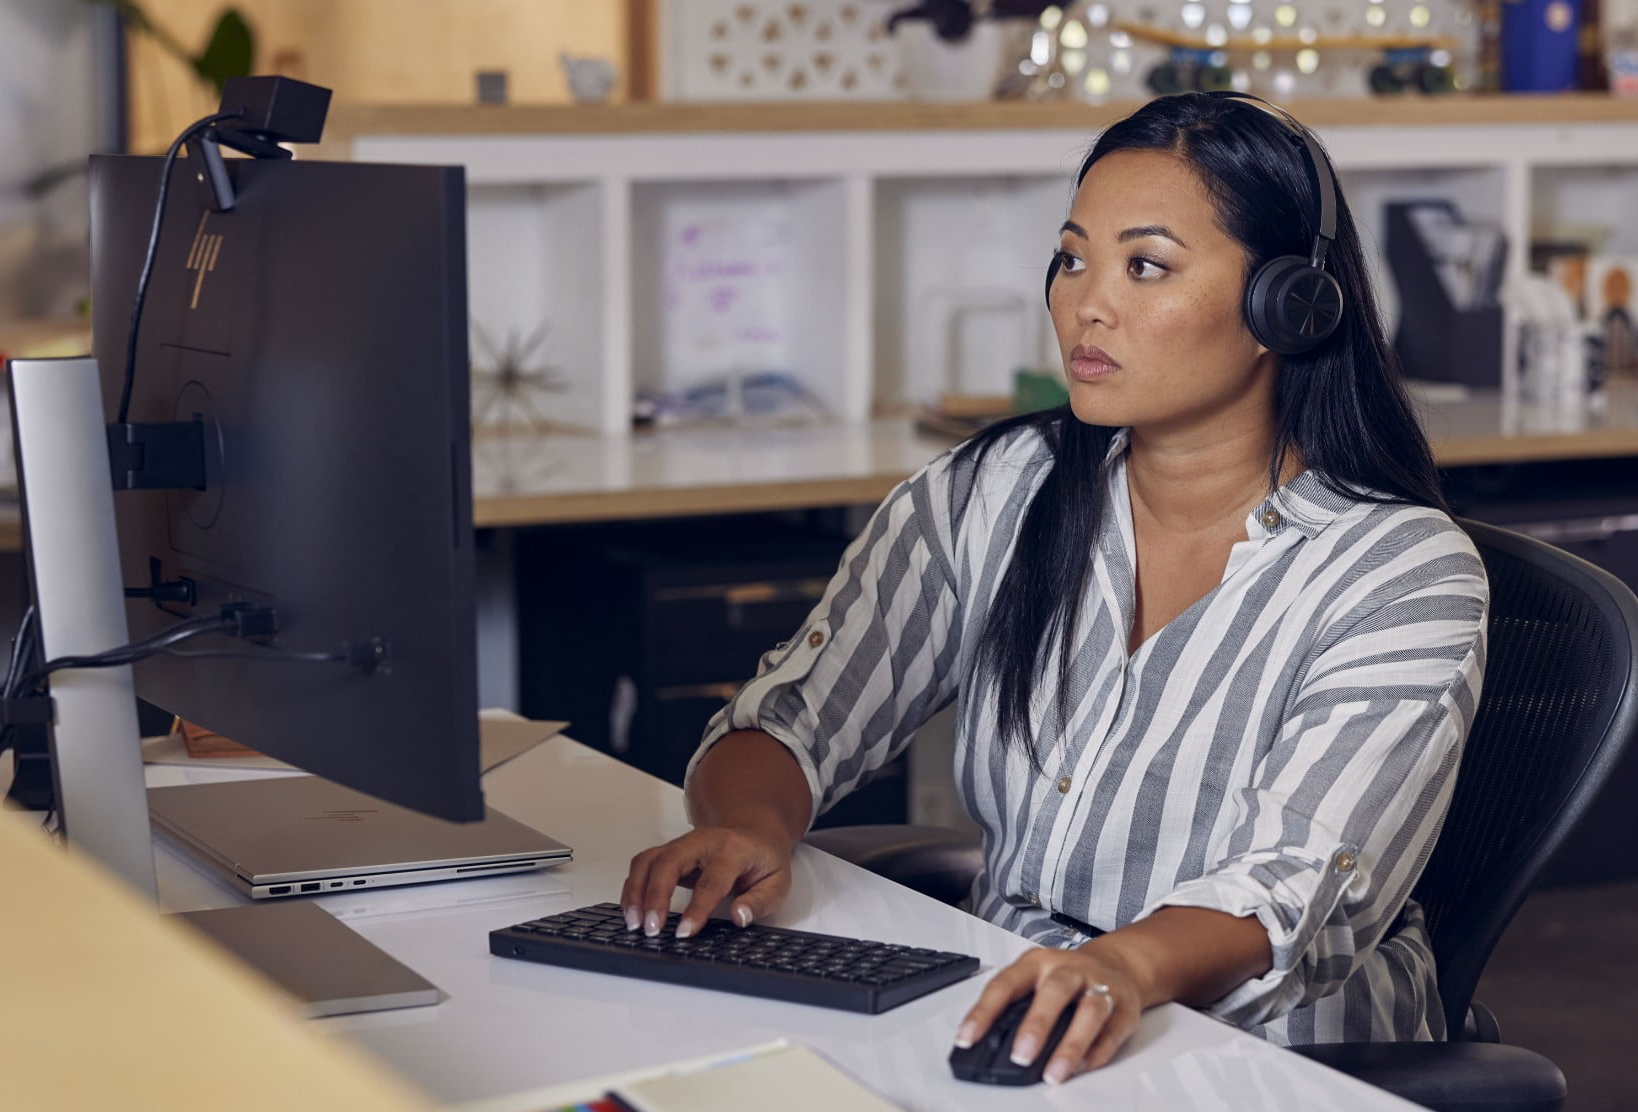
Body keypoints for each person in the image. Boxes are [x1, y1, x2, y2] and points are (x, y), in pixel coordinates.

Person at [619, 92, 1489, 1085]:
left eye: (1144, 265)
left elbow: (1290, 888)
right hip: (1018, 1016)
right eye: (1072, 257)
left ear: (1280, 307)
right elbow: (791, 716)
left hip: (1273, 1058)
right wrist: (751, 825)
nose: (1087, 302)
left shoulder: (1399, 571)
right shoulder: (996, 488)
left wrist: (1119, 963)